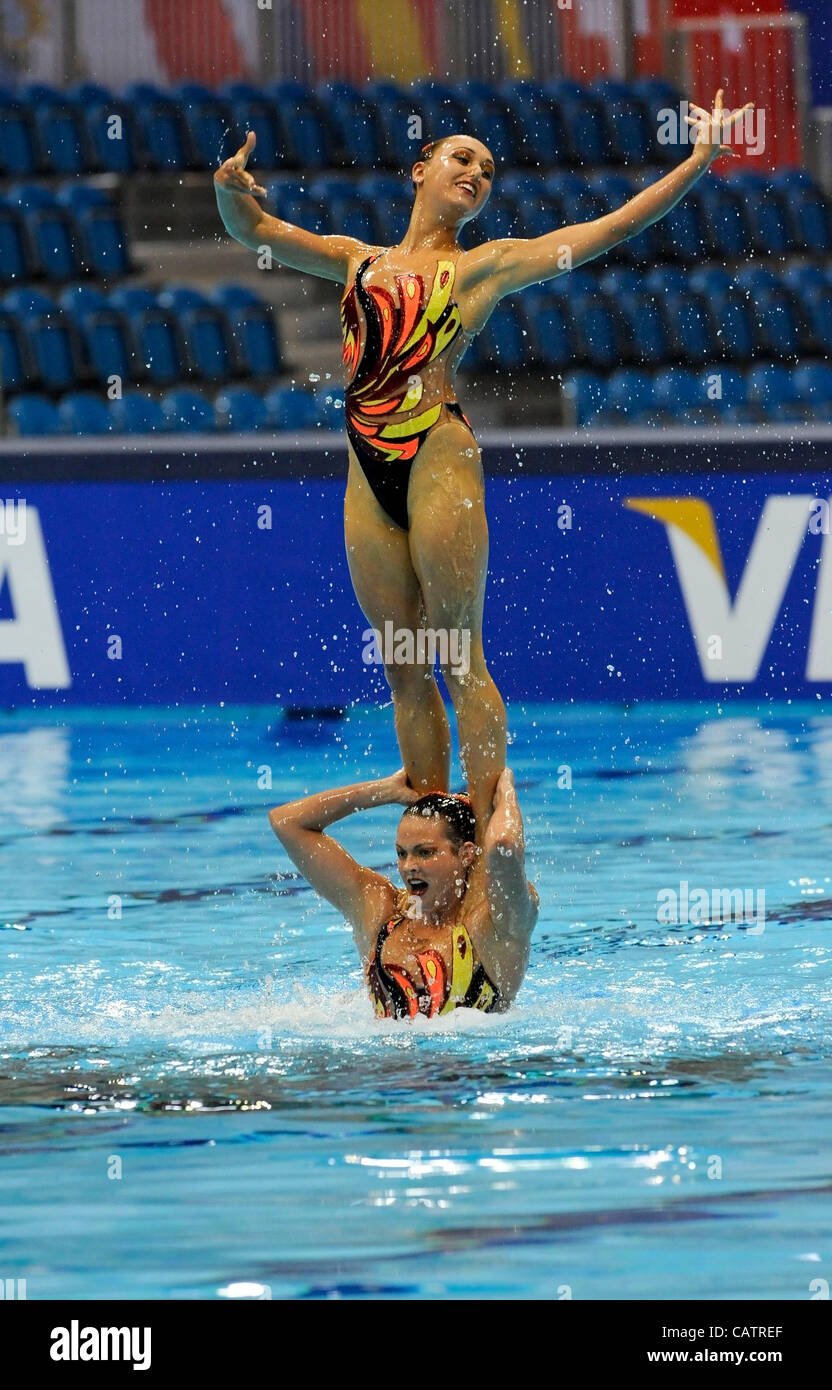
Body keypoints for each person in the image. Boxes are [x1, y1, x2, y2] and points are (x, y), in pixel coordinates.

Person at [215, 90, 752, 834]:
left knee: (458, 653)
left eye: (488, 169)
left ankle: (492, 836)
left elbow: (610, 228)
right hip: (365, 467)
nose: (476, 172)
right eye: (461, 158)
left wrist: (696, 163)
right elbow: (255, 230)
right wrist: (227, 189)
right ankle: (433, 839)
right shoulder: (354, 261)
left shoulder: (483, 268)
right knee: (404, 657)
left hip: (438, 451)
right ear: (419, 171)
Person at [268, 766, 538, 1018]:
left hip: (468, 1069)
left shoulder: (489, 928)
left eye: (425, 852)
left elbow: (504, 848)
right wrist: (384, 791)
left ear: (466, 854)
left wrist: (506, 796)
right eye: (401, 853)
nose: (409, 867)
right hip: (381, 1067)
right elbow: (287, 822)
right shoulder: (380, 912)